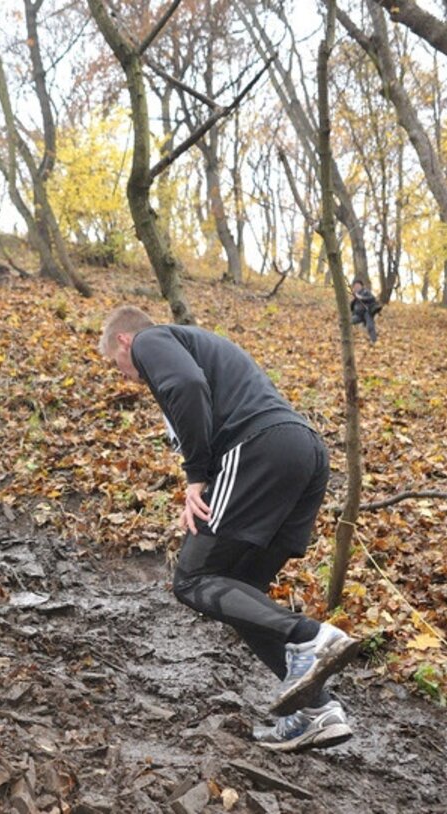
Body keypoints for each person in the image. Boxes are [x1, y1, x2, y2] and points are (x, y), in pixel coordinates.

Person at [98, 305, 360, 753]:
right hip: (303, 455)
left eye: (114, 365)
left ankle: (312, 637)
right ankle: (317, 712)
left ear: (123, 341)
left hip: (259, 447)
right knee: (240, 594)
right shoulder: (195, 349)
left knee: (192, 579)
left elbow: (187, 385)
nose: (123, 376)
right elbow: (196, 392)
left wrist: (196, 475)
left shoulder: (150, 340)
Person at [350, 279, 381, 344]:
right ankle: (348, 339)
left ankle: (374, 341)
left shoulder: (365, 292)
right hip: (358, 315)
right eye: (355, 286)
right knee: (348, 322)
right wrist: (354, 298)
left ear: (361, 286)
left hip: (367, 312)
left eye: (358, 286)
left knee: (370, 326)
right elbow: (351, 307)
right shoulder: (355, 295)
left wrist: (361, 298)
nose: (356, 287)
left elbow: (372, 298)